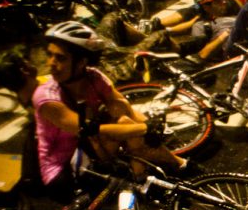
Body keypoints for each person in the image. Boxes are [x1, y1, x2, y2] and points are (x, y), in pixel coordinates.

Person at [33, 21, 189, 197]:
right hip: (64, 168)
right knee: (128, 131)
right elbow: (87, 129)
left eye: (60, 58)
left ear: (81, 62)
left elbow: (124, 107)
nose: (51, 63)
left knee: (123, 118)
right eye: (50, 55)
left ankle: (148, 174)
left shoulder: (93, 77)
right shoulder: (47, 97)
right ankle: (175, 166)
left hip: (92, 149)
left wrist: (150, 127)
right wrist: (146, 128)